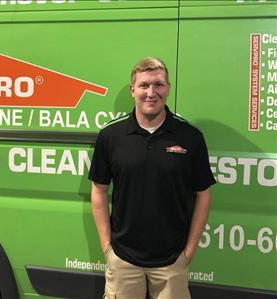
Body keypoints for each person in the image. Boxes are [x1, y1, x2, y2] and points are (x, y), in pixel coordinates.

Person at [88, 57, 216, 299]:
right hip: (123, 259)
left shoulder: (190, 137)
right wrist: (108, 249)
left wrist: (188, 252)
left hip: (171, 261)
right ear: (132, 89)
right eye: (144, 85)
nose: (151, 92)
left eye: (158, 85)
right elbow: (99, 190)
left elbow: (203, 194)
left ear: (167, 89)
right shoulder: (110, 136)